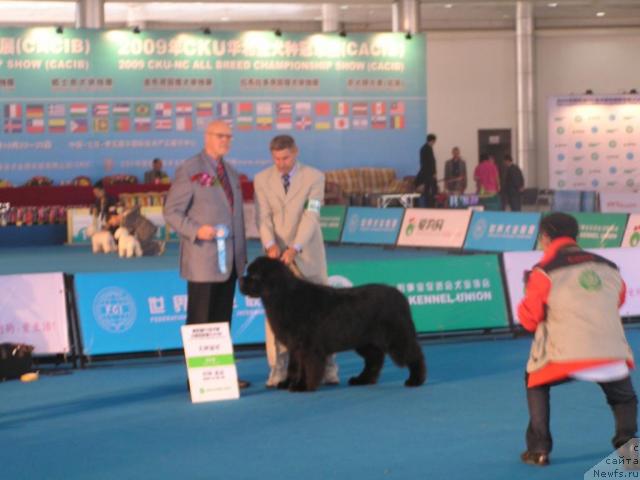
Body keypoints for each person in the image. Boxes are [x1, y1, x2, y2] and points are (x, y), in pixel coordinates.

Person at [518, 212, 637, 466]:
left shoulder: (543, 272)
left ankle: (539, 450)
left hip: (564, 355)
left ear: (546, 237)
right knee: (624, 397)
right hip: (610, 350)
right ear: (576, 236)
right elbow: (618, 299)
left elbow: (530, 319)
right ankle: (629, 452)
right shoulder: (608, 266)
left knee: (535, 382)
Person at [163, 120, 249, 389]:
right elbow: (171, 212)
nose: (225, 140)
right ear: (207, 137)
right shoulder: (190, 169)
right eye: (220, 135)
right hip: (202, 259)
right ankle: (198, 379)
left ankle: (222, 375)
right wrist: (196, 230)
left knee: (223, 321)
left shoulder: (232, 173)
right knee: (200, 321)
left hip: (230, 260)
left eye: (229, 137)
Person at [253, 134, 339, 388]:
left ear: (296, 152)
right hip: (275, 258)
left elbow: (311, 216)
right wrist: (270, 245)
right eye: (276, 158)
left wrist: (295, 247)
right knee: (276, 317)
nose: (281, 163)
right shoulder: (261, 179)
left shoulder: (314, 177)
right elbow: (262, 218)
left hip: (308, 254)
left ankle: (328, 369)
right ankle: (278, 370)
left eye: (286, 157)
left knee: (323, 313)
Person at [415, 133, 438, 208]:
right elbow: (429, 162)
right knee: (429, 190)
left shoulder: (426, 148)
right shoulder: (426, 148)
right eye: (434, 141)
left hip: (427, 173)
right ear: (431, 140)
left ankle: (430, 205)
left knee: (429, 190)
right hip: (428, 173)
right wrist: (433, 173)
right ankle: (430, 205)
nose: (434, 143)